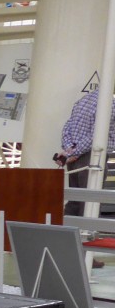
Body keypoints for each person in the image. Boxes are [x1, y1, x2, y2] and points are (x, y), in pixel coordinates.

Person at [56, 88, 115, 217]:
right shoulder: (109, 104)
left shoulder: (83, 100)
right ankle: (86, 230)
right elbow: (97, 136)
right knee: (90, 203)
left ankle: (66, 227)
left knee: (74, 201)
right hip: (92, 157)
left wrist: (69, 151)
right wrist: (74, 153)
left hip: (74, 158)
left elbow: (67, 126)